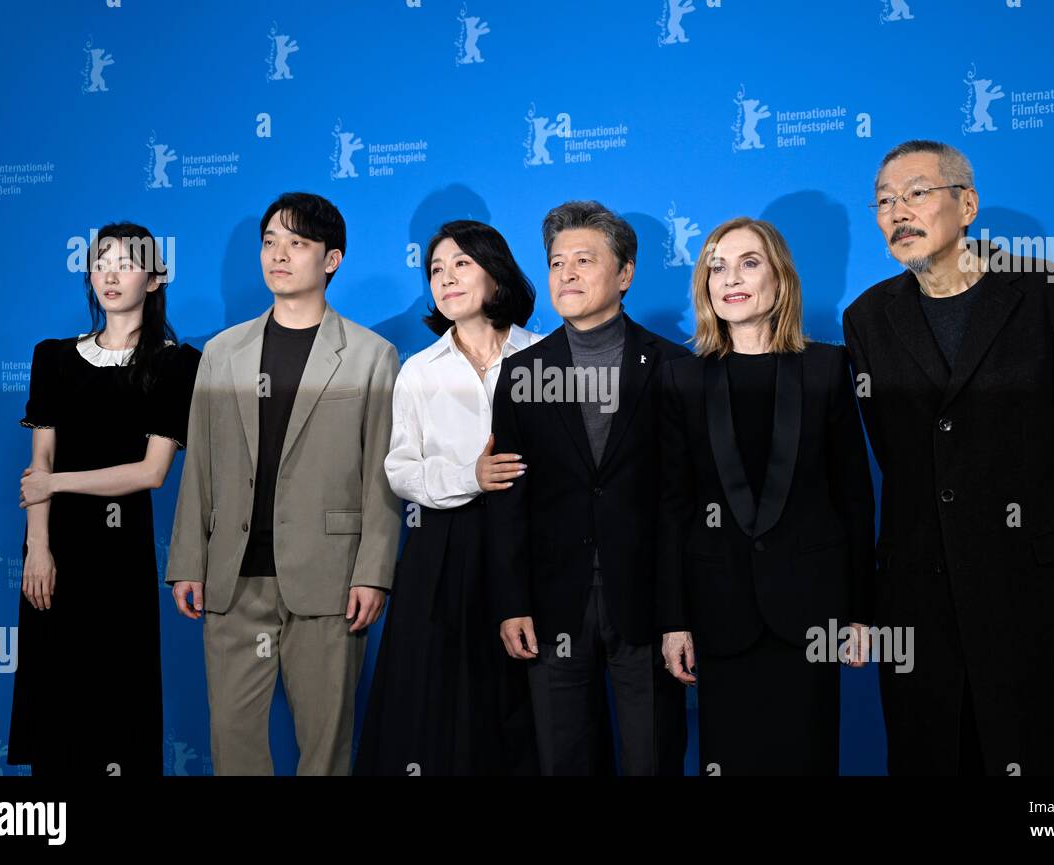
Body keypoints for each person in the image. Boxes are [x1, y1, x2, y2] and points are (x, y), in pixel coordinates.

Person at [841, 139, 1054, 775]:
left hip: (1034, 577)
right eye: (884, 201)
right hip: (922, 591)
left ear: (967, 203)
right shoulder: (866, 317)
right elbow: (894, 453)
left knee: (1051, 764)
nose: (899, 212)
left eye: (917, 193)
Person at [166, 192, 401, 775]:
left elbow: (382, 476)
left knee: (325, 747)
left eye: (297, 243)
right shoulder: (221, 352)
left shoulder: (373, 356)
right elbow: (200, 466)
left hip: (331, 576)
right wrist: (187, 560)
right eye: (270, 242)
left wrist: (373, 572)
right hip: (233, 575)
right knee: (233, 743)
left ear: (332, 259)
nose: (279, 255)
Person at [658, 217, 875, 775]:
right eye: (717, 267)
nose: (731, 278)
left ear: (780, 277)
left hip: (811, 615)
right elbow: (672, 509)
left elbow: (854, 497)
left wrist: (860, 613)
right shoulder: (682, 380)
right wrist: (674, 619)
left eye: (749, 262)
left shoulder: (828, 368)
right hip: (719, 613)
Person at [486, 200, 689, 775]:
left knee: (652, 757)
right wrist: (512, 603)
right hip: (552, 605)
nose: (567, 274)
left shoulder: (673, 367)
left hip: (647, 603)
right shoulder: (523, 373)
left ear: (624, 274)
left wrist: (679, 612)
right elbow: (509, 499)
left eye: (583, 260)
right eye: (555, 263)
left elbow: (681, 502)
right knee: (565, 759)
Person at [9, 222, 201, 775]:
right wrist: (38, 550)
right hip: (55, 548)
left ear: (155, 277)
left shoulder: (175, 363)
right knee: (57, 704)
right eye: (101, 262)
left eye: (126, 262)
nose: (111, 274)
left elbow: (152, 471)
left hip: (120, 555)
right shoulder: (52, 357)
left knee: (120, 701)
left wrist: (58, 483)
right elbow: (38, 461)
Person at [357, 220, 541, 775]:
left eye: (462, 264)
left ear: (496, 272)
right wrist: (471, 474)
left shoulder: (544, 358)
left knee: (519, 702)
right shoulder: (418, 371)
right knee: (432, 704)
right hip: (443, 548)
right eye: (436, 269)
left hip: (530, 548)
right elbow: (400, 471)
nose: (446, 278)